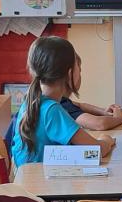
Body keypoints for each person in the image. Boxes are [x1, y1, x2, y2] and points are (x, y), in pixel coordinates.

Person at [10, 36, 114, 167]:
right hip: (38, 178)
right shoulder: (52, 110)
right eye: (78, 67)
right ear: (70, 73)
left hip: (27, 176)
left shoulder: (32, 101)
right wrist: (106, 140)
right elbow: (96, 151)